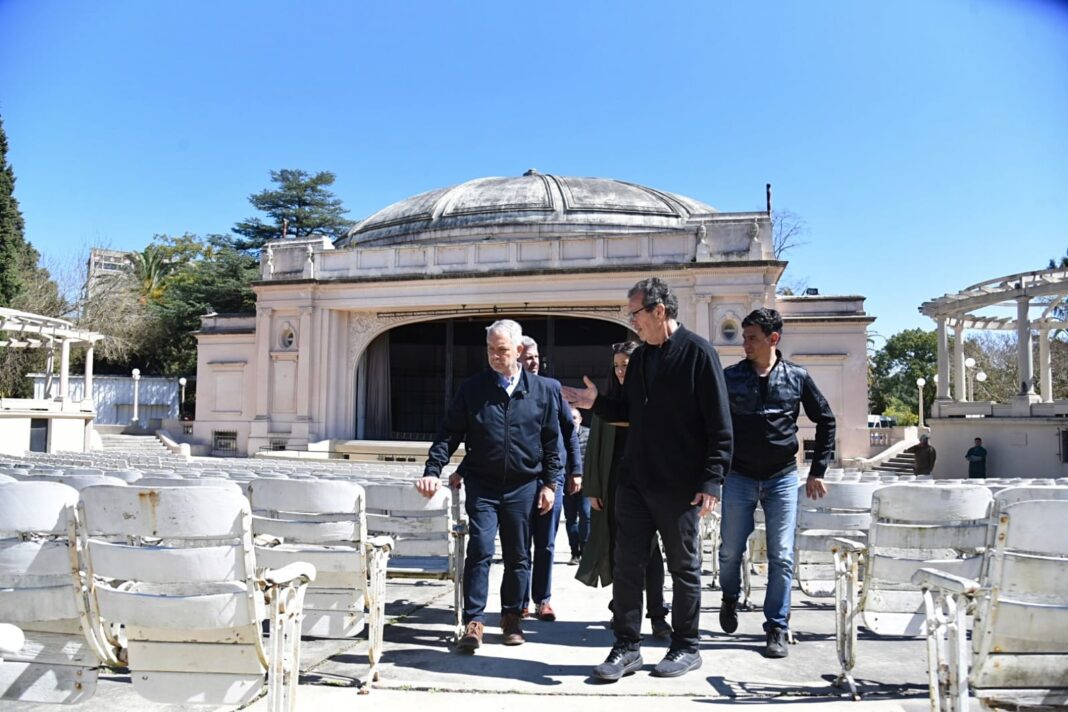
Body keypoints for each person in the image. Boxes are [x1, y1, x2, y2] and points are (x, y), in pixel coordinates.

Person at [563, 277, 733, 681]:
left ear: (660, 311)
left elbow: (720, 425)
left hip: (679, 485)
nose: (631, 321)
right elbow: (627, 411)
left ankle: (686, 646)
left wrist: (712, 480)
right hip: (634, 481)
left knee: (683, 566)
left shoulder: (698, 353)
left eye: (635, 313)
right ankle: (627, 646)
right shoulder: (640, 359)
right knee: (627, 565)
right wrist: (596, 403)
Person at [417, 319, 561, 652]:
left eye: (502, 350)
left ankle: (511, 617)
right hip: (483, 485)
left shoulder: (541, 392)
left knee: (518, 555)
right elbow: (449, 433)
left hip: (524, 486)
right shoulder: (473, 389)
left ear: (519, 351)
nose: (495, 357)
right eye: (490, 350)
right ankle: (475, 621)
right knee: (480, 549)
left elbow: (552, 443)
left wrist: (550, 484)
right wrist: (432, 469)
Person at [717, 308, 836, 659]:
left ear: (773, 339)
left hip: (782, 477)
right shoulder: (730, 377)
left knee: (781, 555)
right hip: (738, 475)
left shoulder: (797, 377)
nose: (745, 343)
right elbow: (710, 423)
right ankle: (729, 596)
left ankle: (777, 626)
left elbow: (826, 419)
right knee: (729, 552)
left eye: (751, 337)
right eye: (743, 336)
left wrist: (818, 470)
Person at [576, 341, 670, 639]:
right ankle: (623, 609)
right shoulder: (607, 400)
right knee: (620, 550)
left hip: (649, 483)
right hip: (615, 482)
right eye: (616, 365)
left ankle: (657, 614)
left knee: (652, 553)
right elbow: (595, 447)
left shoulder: (652, 398)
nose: (619, 371)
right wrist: (593, 487)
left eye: (625, 365)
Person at [518, 336, 582, 621]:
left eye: (535, 356)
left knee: (545, 543)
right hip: (519, 480)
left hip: (551, 479)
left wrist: (576, 470)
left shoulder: (552, 388)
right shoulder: (509, 391)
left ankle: (542, 599)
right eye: (526, 357)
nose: (531, 361)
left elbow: (570, 432)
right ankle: (519, 602)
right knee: (519, 545)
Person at [563, 407, 591, 566]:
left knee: (586, 516)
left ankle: (586, 551)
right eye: (570, 417)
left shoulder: (589, 434)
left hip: (586, 483)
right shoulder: (562, 435)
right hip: (568, 484)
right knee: (571, 519)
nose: (572, 420)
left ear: (580, 419)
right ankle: (575, 553)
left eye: (574, 417)